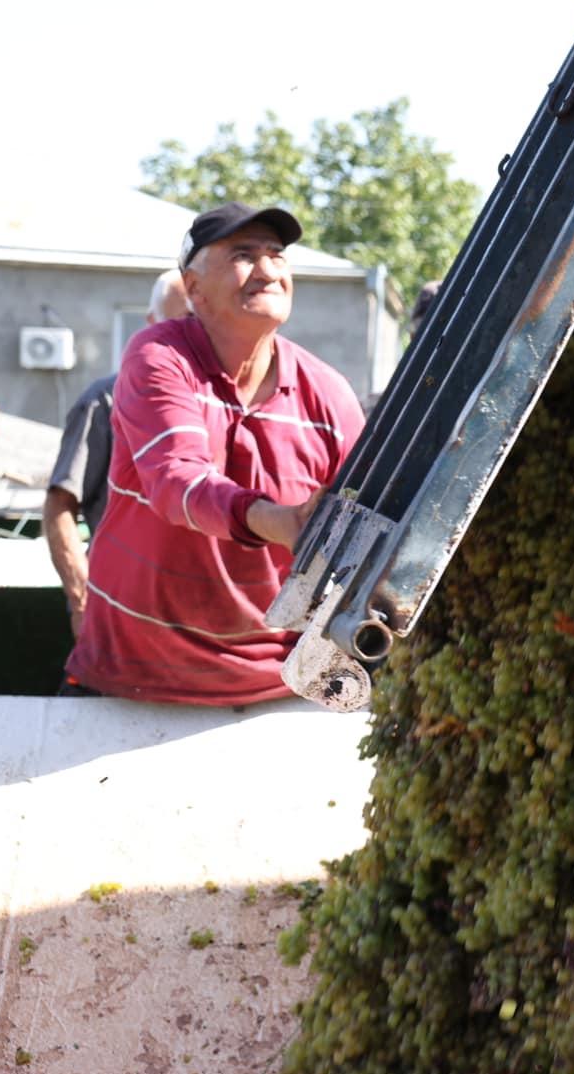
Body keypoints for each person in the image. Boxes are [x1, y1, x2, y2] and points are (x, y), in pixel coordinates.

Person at [62, 202, 365, 704]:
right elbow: (177, 480)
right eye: (243, 255)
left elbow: (369, 516)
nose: (267, 270)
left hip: (279, 689)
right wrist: (278, 520)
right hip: (132, 683)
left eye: (277, 254)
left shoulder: (329, 394)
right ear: (194, 287)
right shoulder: (159, 357)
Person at [43, 269, 189, 639]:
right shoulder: (106, 399)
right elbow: (60, 505)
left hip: (206, 620)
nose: (193, 336)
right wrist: (82, 598)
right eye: (182, 322)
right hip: (122, 613)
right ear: (152, 323)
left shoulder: (236, 404)